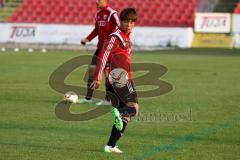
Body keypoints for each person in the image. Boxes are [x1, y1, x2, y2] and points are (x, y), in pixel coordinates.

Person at [90, 8, 139, 153]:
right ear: (121, 21)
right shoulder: (115, 36)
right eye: (126, 21)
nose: (129, 24)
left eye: (132, 22)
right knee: (133, 109)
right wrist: (97, 77)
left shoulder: (125, 36)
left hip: (120, 78)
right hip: (120, 79)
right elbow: (103, 55)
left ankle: (110, 145)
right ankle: (120, 113)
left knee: (126, 117)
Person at [79, 0, 120, 105]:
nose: (96, 2)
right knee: (92, 71)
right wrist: (87, 39)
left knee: (107, 73)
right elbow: (96, 30)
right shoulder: (98, 14)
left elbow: (119, 27)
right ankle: (88, 99)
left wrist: (111, 39)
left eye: (98, 0)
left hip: (109, 49)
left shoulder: (112, 13)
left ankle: (108, 99)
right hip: (99, 48)